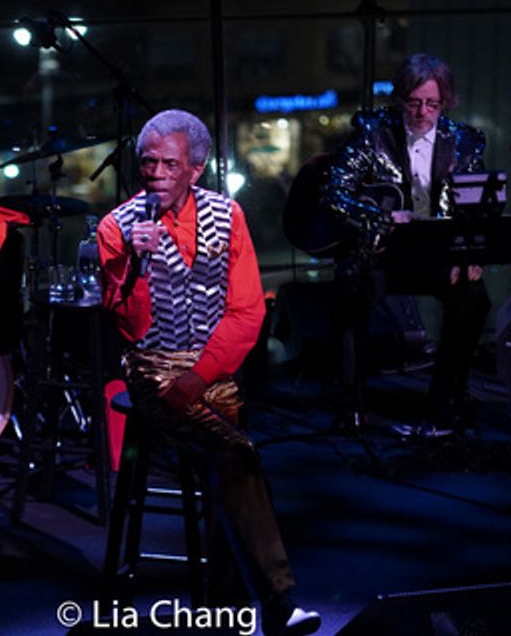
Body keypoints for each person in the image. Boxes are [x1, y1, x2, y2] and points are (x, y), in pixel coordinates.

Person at [98, 109, 320, 635]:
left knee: (230, 462)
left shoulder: (228, 215)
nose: (154, 172)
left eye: (167, 164)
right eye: (147, 162)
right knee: (237, 452)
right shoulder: (117, 227)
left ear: (194, 170)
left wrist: (204, 373)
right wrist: (135, 262)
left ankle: (226, 602)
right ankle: (278, 601)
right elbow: (127, 323)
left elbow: (248, 311)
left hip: (213, 370)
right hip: (154, 368)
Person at [315, 53, 490, 434]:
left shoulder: (463, 143)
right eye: (414, 102)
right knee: (353, 288)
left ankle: (446, 400)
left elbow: (474, 207)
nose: (423, 112)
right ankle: (353, 403)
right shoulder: (371, 133)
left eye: (432, 103)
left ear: (445, 102)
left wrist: (470, 255)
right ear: (400, 100)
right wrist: (382, 218)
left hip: (437, 252)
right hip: (381, 249)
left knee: (473, 298)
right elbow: (334, 192)